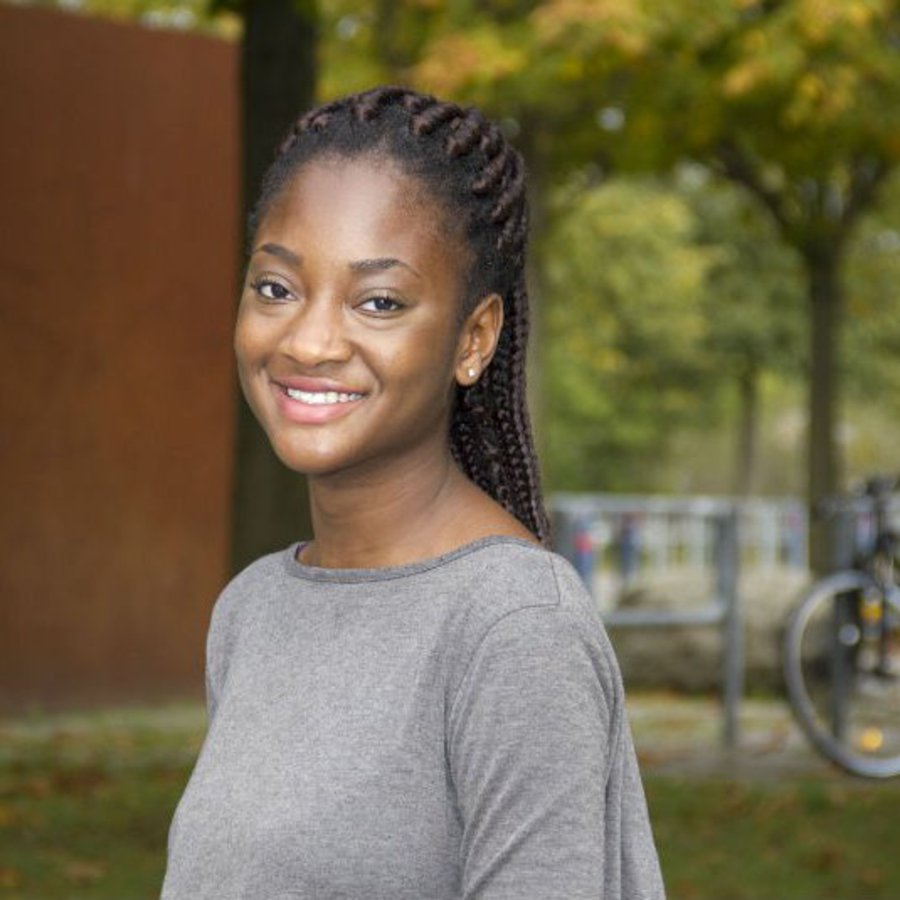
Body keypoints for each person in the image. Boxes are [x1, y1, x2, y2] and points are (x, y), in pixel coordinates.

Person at [162, 85, 665, 900]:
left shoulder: (513, 630)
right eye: (277, 288)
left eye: (380, 302)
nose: (310, 341)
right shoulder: (251, 611)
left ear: (474, 339)